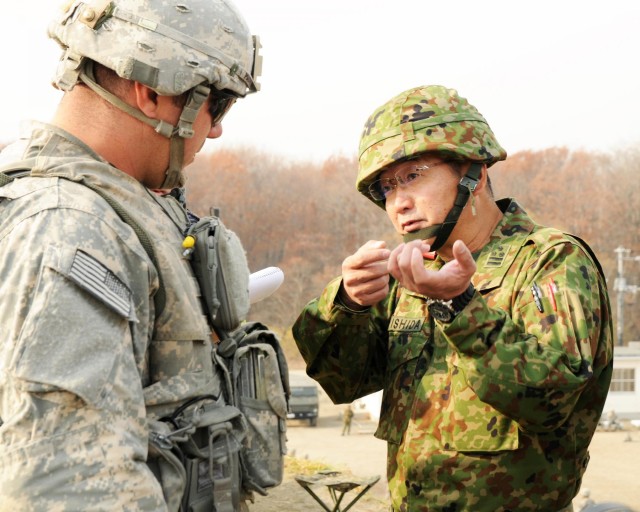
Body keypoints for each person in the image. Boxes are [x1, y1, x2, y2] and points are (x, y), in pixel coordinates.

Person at [292, 85, 614, 511]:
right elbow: (343, 380)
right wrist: (348, 304)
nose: (398, 202)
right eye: (385, 188)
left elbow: (551, 399)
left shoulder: (551, 260)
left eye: (413, 176)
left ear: (474, 175)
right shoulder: (412, 277)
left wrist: (459, 307)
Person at [0, 0, 261, 510]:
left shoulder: (113, 211)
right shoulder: (70, 227)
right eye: (218, 105)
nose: (218, 129)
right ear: (154, 93)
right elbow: (69, 485)